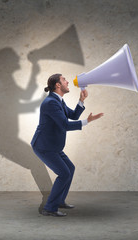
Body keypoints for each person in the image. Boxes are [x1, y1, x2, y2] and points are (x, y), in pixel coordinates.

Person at [31, 73, 103, 217]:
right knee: (64, 173)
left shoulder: (58, 101)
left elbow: (73, 116)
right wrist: (87, 121)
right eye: (64, 80)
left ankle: (59, 201)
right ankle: (49, 208)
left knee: (70, 168)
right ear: (58, 85)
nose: (68, 82)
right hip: (44, 146)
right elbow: (65, 125)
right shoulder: (51, 102)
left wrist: (81, 100)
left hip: (53, 146)